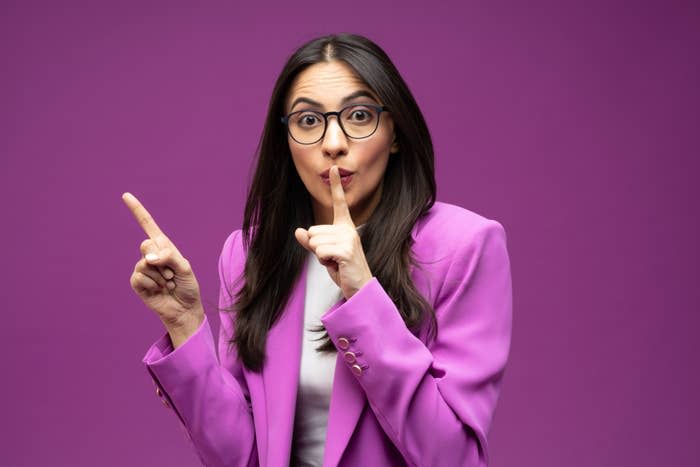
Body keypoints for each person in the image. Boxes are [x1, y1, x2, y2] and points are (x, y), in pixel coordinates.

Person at [123, 33, 512, 467]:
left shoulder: (465, 246)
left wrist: (364, 296)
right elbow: (240, 456)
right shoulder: (250, 255)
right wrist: (185, 324)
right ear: (286, 141)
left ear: (395, 132)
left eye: (359, 115)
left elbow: (452, 457)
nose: (333, 143)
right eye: (308, 121)